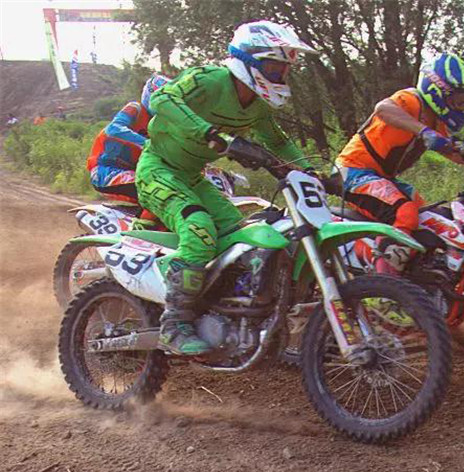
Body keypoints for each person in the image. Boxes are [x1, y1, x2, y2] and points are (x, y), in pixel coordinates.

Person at [136, 20, 315, 355]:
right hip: (158, 169)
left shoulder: (258, 106)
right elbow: (161, 98)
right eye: (274, 68)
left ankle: (222, 312)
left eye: (284, 70)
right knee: (200, 229)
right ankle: (173, 324)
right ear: (250, 61)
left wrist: (311, 172)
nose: (280, 76)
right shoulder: (210, 79)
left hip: (192, 177)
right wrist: (209, 133)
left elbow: (278, 142)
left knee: (239, 236)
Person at [335, 52, 464, 275]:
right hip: (352, 171)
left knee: (430, 219)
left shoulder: (434, 119)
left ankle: (417, 276)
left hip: (381, 178)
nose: (463, 106)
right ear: (440, 90)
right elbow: (383, 108)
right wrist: (423, 131)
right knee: (406, 212)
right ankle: (383, 285)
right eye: (460, 101)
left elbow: (450, 151)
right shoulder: (410, 100)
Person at [86, 74, 170, 204]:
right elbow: (113, 129)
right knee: (155, 190)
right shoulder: (135, 108)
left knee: (170, 191)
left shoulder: (164, 125)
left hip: (137, 172)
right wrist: (149, 144)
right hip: (105, 170)